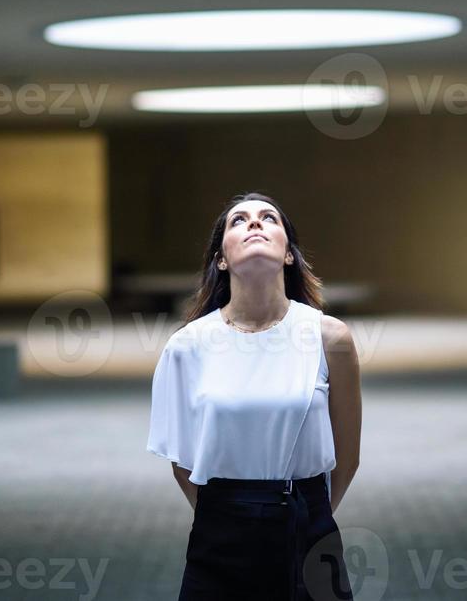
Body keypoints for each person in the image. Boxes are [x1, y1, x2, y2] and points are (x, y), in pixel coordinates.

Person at [147, 190, 362, 601]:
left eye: (269, 218)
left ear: (288, 255)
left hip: (307, 525)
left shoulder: (328, 337)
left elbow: (348, 458)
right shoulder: (187, 346)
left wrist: (304, 518)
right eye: (238, 220)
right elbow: (181, 462)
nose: (255, 224)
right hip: (220, 534)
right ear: (221, 259)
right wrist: (236, 517)